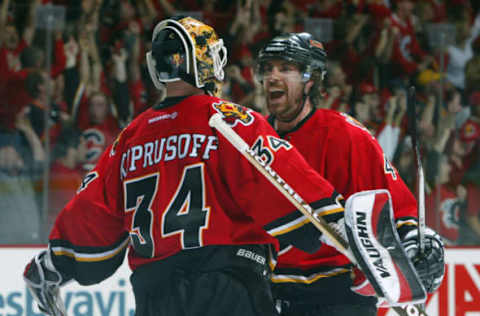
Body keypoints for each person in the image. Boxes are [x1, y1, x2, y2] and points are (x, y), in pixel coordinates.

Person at [23, 17, 348, 316]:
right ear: (208, 60)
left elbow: (91, 213)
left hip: (155, 296)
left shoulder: (129, 139)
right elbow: (282, 178)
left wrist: (53, 264)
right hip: (227, 288)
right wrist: (339, 221)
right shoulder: (227, 120)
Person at [255, 32, 446, 316]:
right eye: (267, 69)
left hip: (340, 294)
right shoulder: (251, 138)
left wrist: (417, 241)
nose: (272, 77)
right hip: (274, 294)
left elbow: (399, 208)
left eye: (285, 68)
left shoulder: (345, 134)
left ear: (311, 78)